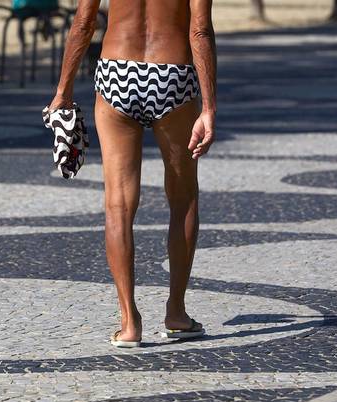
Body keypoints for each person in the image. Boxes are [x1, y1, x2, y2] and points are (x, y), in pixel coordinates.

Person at [48, 0, 216, 347]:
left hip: (116, 74)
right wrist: (210, 108)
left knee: (118, 206)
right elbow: (199, 29)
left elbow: (84, 21)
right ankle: (176, 313)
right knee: (183, 199)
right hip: (173, 75)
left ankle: (129, 323)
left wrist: (63, 92)